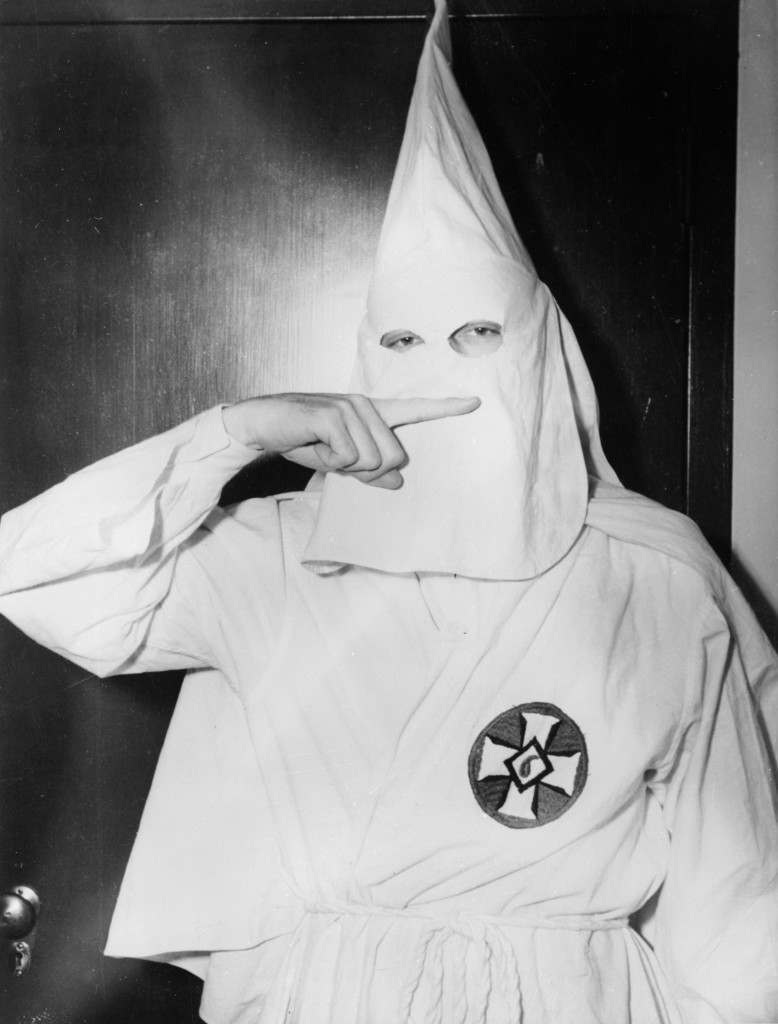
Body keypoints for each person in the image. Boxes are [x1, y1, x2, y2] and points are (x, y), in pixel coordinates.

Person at [1, 2, 776, 1022]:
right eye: (402, 343)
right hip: (321, 993)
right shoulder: (276, 557)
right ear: (363, 360)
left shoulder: (657, 573)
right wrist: (236, 434)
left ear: (540, 352)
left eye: (477, 333)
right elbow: (32, 572)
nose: (443, 378)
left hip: (569, 997)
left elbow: (741, 897)